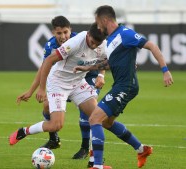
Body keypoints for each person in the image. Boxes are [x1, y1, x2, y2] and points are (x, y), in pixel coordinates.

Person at [73, 5, 174, 169]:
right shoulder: (111, 39)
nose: (97, 27)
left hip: (126, 86)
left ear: (105, 20)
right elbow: (109, 63)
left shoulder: (125, 34)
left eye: (98, 23)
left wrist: (165, 70)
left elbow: (152, 46)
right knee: (106, 123)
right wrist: (87, 68)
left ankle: (97, 165)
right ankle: (141, 149)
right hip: (121, 85)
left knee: (94, 119)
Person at [10, 22, 111, 169]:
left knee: (97, 117)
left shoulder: (102, 43)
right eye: (92, 42)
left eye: (97, 44)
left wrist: (104, 74)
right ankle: (23, 131)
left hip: (78, 82)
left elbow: (106, 61)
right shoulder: (75, 42)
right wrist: (41, 89)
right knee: (56, 124)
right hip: (58, 82)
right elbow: (49, 61)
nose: (94, 46)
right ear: (88, 35)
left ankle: (94, 162)